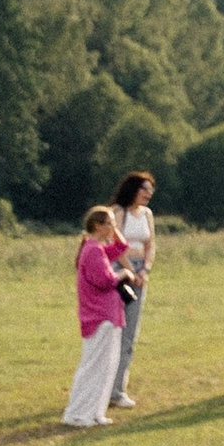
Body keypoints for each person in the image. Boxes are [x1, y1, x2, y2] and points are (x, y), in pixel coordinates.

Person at [63, 208, 128, 429]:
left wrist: (115, 231)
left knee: (107, 366)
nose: (112, 227)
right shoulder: (92, 251)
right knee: (93, 366)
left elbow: (121, 247)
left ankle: (95, 412)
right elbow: (106, 280)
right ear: (98, 226)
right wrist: (125, 274)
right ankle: (77, 413)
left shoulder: (98, 248)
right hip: (99, 317)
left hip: (109, 315)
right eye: (109, 223)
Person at [108, 168, 155, 410]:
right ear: (133, 190)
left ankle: (118, 389)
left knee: (130, 333)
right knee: (113, 329)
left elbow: (150, 244)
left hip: (139, 272)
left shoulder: (147, 214)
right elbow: (114, 244)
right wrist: (130, 271)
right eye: (144, 189)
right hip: (119, 269)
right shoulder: (118, 213)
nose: (149, 194)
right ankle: (105, 388)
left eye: (150, 190)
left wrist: (145, 269)